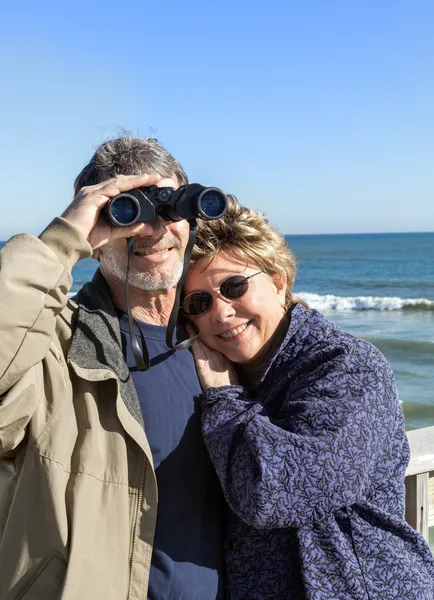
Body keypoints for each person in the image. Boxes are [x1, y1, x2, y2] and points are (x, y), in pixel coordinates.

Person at [0, 136, 226, 600]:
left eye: (169, 207)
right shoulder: (54, 344)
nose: (153, 230)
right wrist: (64, 239)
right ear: (96, 240)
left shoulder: (218, 338)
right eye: (128, 212)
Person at [182, 197, 434, 600]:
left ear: (278, 279)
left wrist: (225, 397)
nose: (221, 312)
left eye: (234, 286)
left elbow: (276, 492)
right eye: (200, 302)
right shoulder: (222, 375)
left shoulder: (348, 367)